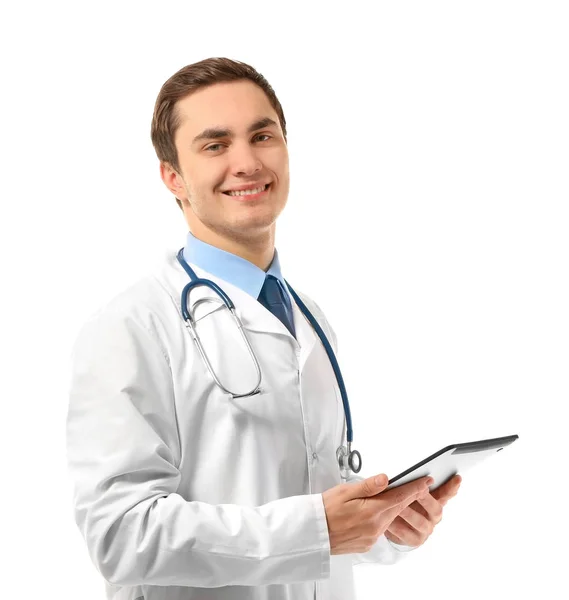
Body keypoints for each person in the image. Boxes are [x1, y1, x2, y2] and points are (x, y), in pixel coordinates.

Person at [66, 57, 462, 600]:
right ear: (173, 177)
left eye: (262, 135)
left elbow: (305, 498)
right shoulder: (131, 326)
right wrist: (313, 530)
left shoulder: (310, 318)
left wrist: (382, 526)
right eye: (215, 145)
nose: (247, 162)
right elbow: (118, 535)